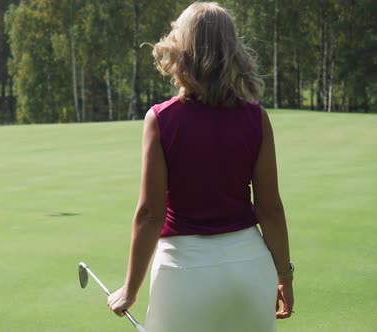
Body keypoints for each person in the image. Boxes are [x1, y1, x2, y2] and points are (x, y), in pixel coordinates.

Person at [106, 2, 294, 331]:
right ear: (232, 52)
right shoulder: (256, 118)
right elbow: (270, 209)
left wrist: (129, 290)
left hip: (184, 274)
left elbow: (150, 213)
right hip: (250, 269)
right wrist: (284, 276)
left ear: (181, 52)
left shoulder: (161, 119)